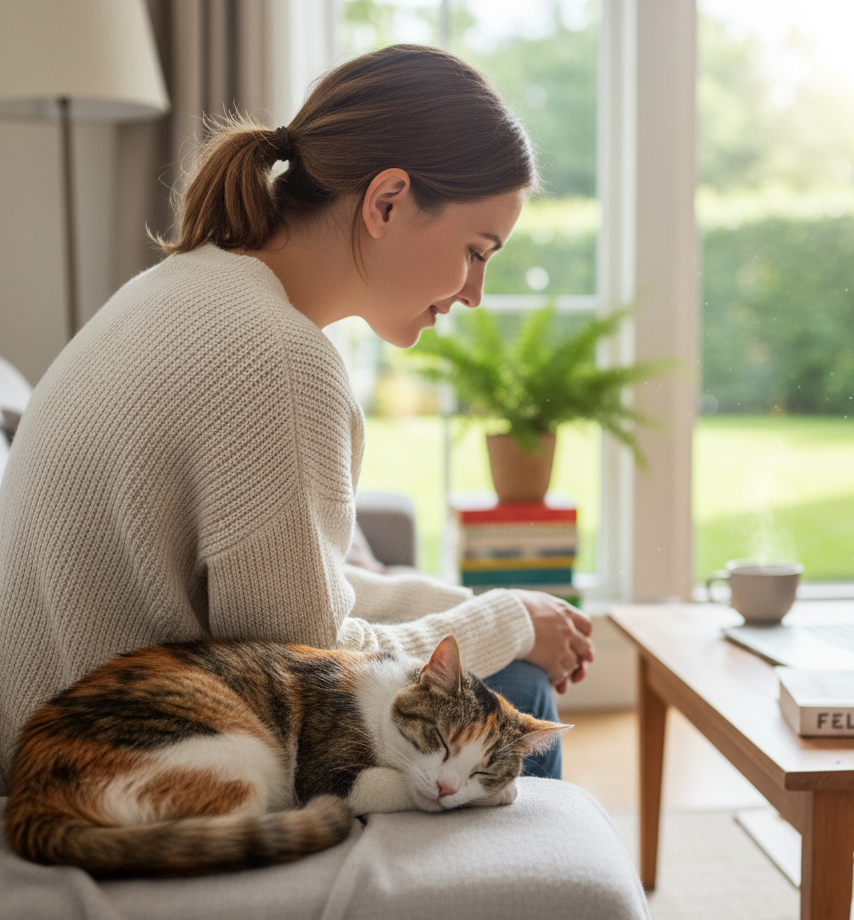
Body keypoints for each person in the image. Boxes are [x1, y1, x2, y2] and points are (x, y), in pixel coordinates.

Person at [0, 44, 595, 793]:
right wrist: (504, 626)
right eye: (477, 252)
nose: (475, 291)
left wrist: (482, 608)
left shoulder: (189, 287)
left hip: (67, 733)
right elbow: (317, 668)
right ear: (386, 202)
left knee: (504, 666)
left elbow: (292, 591)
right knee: (524, 698)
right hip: (112, 769)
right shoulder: (277, 359)